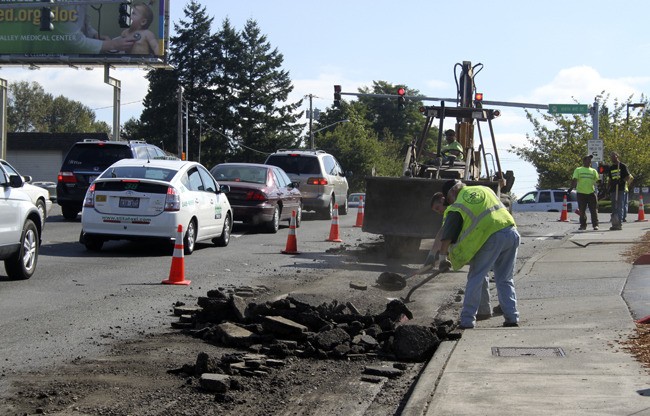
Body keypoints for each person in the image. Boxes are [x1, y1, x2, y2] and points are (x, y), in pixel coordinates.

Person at [436, 179, 520, 328]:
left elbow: (447, 237)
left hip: (491, 237)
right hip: (511, 232)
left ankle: (467, 320)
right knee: (505, 279)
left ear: (452, 192)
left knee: (476, 277)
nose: (449, 202)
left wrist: (442, 258)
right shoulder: (484, 189)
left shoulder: (457, 206)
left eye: (448, 199)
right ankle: (512, 317)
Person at [569, 155, 599, 231]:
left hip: (591, 193)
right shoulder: (578, 170)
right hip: (581, 193)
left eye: (590, 160)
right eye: (588, 160)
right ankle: (583, 225)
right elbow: (575, 179)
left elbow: (597, 181)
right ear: (584, 161)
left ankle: (595, 225)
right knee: (582, 211)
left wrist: (601, 188)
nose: (589, 162)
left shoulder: (593, 171)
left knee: (593, 210)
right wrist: (571, 187)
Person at [606, 152, 632, 231]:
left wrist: (621, 181)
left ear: (617, 156)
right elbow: (610, 179)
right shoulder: (611, 168)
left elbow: (628, 176)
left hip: (620, 189)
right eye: (611, 156)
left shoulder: (622, 166)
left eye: (614, 156)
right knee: (614, 206)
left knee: (620, 206)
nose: (612, 158)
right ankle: (614, 223)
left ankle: (619, 224)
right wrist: (608, 188)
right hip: (613, 189)